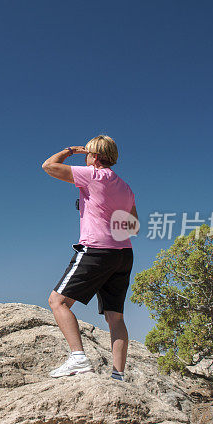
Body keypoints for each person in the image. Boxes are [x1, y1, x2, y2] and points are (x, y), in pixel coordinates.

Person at [41, 135, 139, 381]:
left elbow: (48, 166)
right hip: (123, 254)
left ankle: (78, 358)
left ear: (94, 156)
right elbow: (133, 226)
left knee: (58, 302)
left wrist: (69, 150)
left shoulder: (92, 174)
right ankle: (118, 376)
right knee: (115, 317)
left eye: (87, 154)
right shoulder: (125, 187)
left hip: (96, 251)